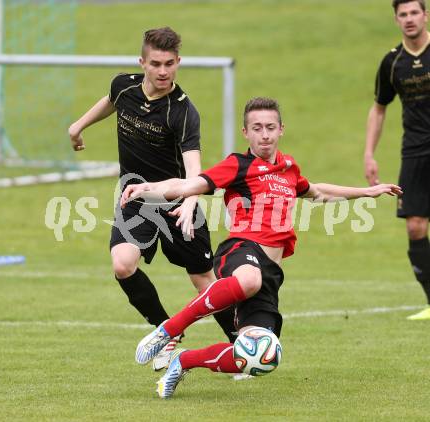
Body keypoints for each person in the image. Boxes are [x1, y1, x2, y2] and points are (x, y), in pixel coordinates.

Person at [121, 97, 402, 398]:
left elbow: (318, 192)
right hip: (240, 249)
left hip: (271, 271)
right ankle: (168, 330)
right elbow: (188, 185)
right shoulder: (237, 165)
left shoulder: (289, 168)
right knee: (249, 280)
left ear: (281, 129)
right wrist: (149, 188)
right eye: (257, 128)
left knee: (259, 356)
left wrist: (367, 192)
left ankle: (183, 360)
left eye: (270, 127)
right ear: (246, 132)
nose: (264, 134)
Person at [68, 27, 236, 370]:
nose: (163, 71)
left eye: (170, 64)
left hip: (177, 202)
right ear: (142, 62)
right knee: (122, 264)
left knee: (204, 281)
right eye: (156, 63)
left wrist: (190, 203)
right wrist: (78, 126)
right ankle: (166, 334)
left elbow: (194, 170)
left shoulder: (183, 111)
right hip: (136, 200)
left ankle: (243, 345)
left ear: (178, 62)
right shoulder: (124, 85)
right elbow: (111, 101)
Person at [364, 0, 430, 320]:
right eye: (402, 14)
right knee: (416, 228)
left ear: (426, 15)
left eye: (414, 12)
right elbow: (379, 108)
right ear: (396, 19)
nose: (409, 19)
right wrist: (369, 154)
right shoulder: (392, 62)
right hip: (414, 152)